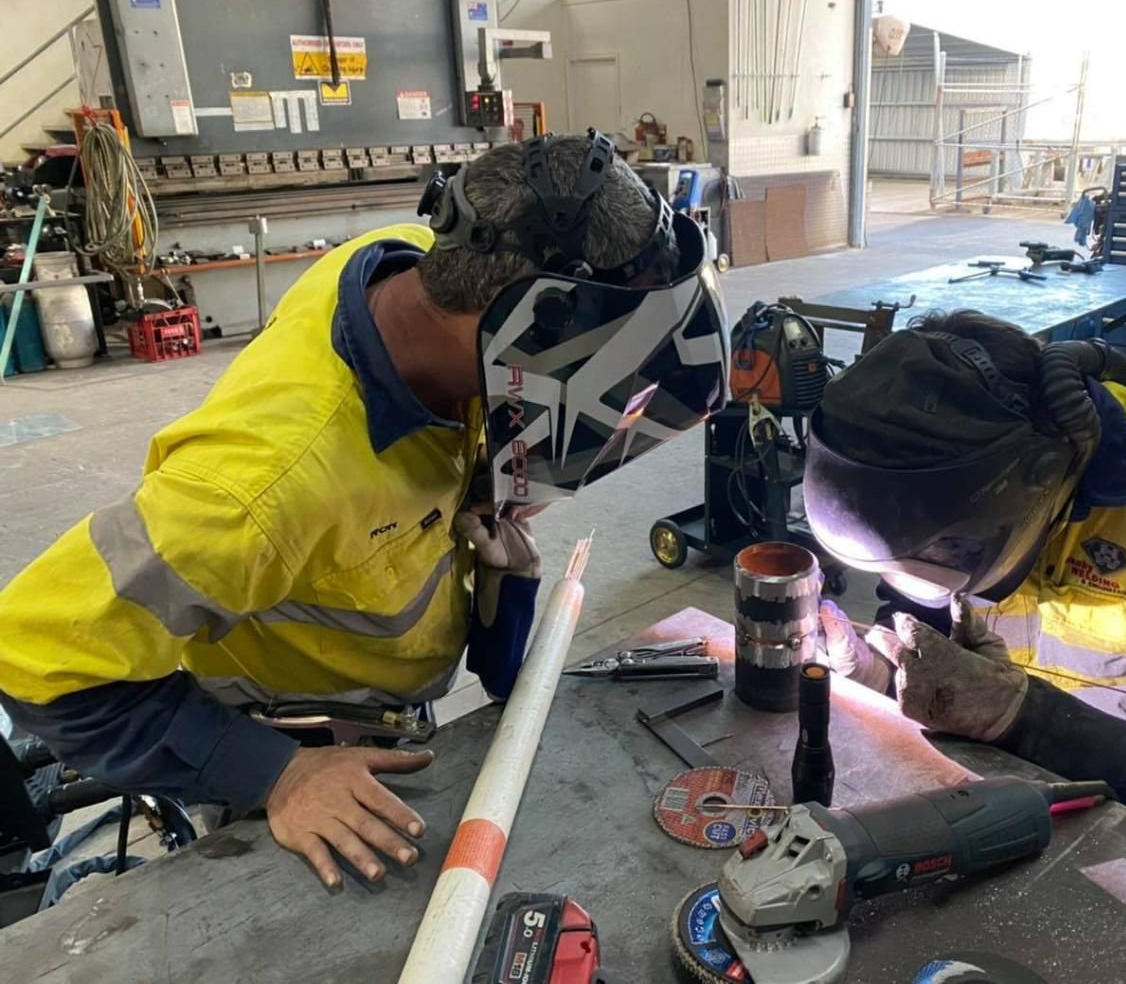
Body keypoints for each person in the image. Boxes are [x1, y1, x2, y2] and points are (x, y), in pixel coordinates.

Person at [0, 132, 728, 886]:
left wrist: (493, 533)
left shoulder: (411, 257)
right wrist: (273, 775)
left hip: (398, 711)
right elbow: (34, 655)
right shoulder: (262, 489)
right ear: (531, 329)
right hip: (307, 763)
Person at [808, 311, 1126, 852]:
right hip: (990, 784)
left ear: (1038, 480)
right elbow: (924, 627)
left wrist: (1019, 716)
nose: (918, 573)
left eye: (941, 553)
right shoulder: (932, 483)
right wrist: (882, 673)